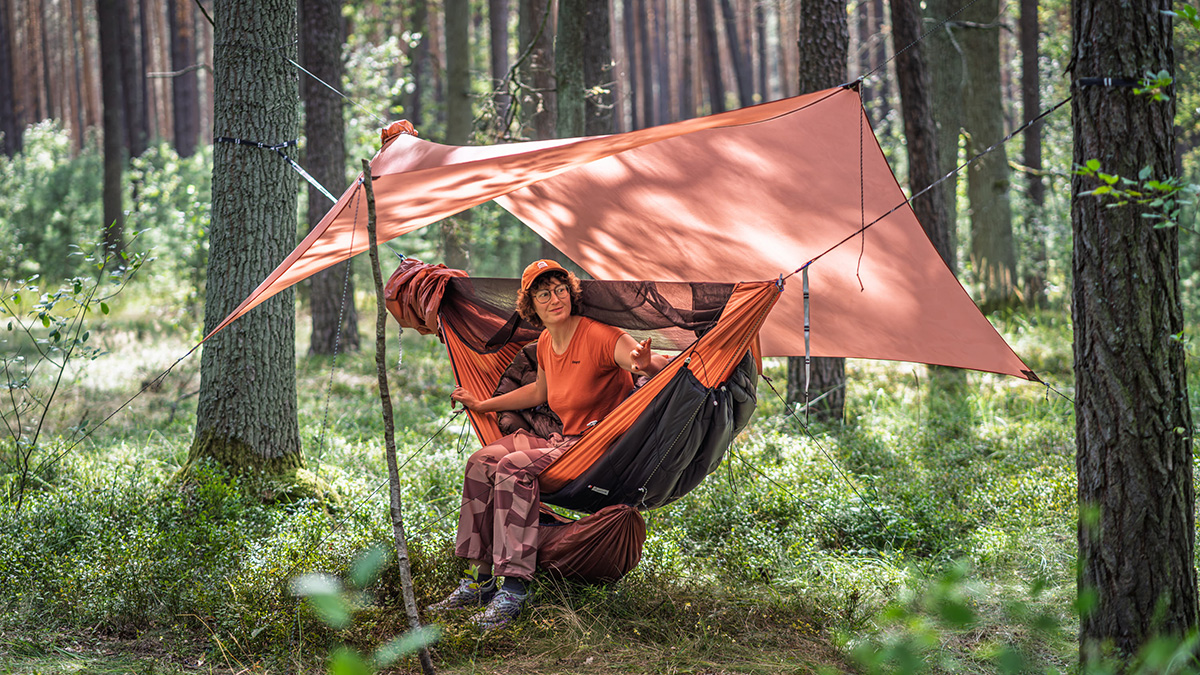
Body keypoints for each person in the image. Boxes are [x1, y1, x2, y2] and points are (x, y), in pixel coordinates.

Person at [429, 259, 669, 630]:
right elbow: (540, 391)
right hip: (561, 439)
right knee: (481, 462)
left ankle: (513, 587)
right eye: (543, 294)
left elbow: (649, 363)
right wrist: (482, 404)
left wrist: (646, 364)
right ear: (532, 306)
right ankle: (480, 578)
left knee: (513, 468)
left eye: (560, 290)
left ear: (571, 294)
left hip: (594, 446)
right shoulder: (544, 341)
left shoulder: (602, 335)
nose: (554, 299)